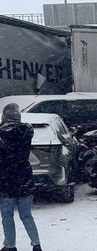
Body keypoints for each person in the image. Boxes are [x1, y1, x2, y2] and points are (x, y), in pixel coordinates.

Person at [0, 103, 42, 251]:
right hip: (24, 177)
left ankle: (10, 246)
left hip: (6, 179)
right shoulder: (27, 131)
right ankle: (36, 244)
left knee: (7, 215)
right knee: (26, 215)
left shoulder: (1, 134)